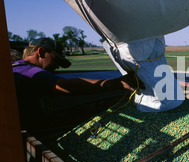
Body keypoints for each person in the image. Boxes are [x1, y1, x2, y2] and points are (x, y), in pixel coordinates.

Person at [12, 37, 142, 134]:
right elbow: (68, 86)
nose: (57, 66)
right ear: (40, 52)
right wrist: (116, 83)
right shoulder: (28, 71)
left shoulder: (16, 67)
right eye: (56, 59)